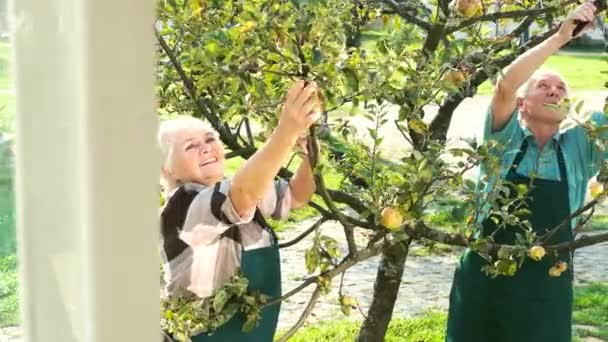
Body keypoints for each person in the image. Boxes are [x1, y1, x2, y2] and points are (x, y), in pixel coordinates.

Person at [446, 3, 602, 342]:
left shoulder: (581, 145)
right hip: (484, 278)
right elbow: (505, 84)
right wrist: (561, 37)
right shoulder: (504, 138)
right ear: (522, 104)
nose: (554, 91)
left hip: (547, 280)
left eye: (562, 90)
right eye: (543, 86)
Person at [159, 80, 321, 341]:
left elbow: (297, 195)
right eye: (190, 146)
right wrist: (286, 130)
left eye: (210, 139)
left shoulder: (237, 190)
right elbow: (243, 195)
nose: (206, 147)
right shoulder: (183, 206)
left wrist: (309, 152)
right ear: (168, 171)